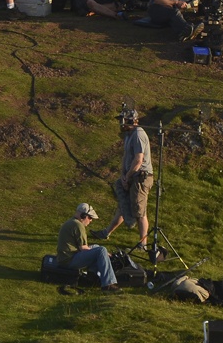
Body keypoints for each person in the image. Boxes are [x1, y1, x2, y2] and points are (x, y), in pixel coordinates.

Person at [105, 109, 152, 252]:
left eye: (123, 120)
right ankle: (106, 232)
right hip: (131, 176)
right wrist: (123, 176)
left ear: (131, 121)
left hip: (140, 177)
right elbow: (126, 156)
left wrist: (128, 176)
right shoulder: (128, 135)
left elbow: (138, 160)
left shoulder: (138, 135)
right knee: (124, 206)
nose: (121, 123)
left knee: (140, 211)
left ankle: (143, 244)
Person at [56, 202, 121, 292]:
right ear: (83, 215)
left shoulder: (72, 222)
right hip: (69, 260)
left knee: (96, 247)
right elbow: (83, 248)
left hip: (65, 257)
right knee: (101, 250)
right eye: (90, 217)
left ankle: (91, 276)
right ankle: (108, 284)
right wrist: (105, 254)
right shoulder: (78, 225)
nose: (91, 220)